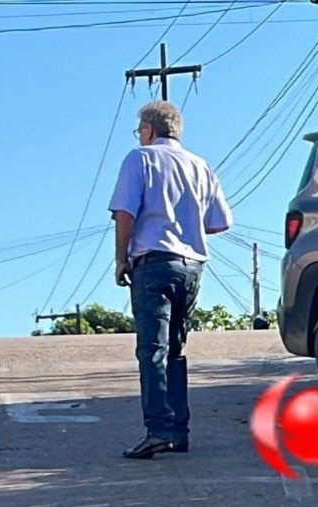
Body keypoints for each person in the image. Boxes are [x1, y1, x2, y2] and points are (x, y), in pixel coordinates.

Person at [108, 101, 232, 459]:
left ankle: (158, 429)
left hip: (154, 263)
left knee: (152, 349)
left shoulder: (139, 159)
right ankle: (178, 429)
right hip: (192, 266)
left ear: (148, 129)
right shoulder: (200, 165)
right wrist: (186, 222)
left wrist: (121, 259)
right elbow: (219, 221)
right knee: (176, 350)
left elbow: (124, 213)